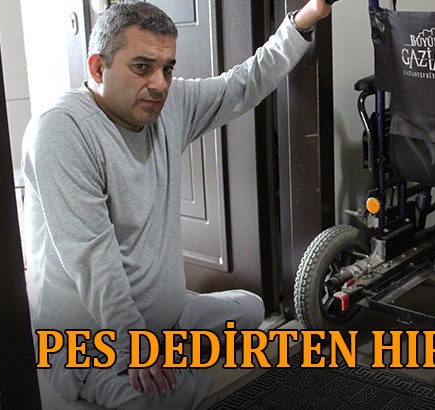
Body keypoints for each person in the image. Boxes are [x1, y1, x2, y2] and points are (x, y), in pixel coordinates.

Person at [21, 1, 332, 408]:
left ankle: (170, 353)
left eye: (167, 68)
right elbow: (91, 257)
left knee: (250, 310)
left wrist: (306, 18)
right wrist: (137, 345)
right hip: (94, 340)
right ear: (98, 68)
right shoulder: (61, 130)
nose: (159, 84)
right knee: (170, 399)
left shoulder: (168, 105)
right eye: (142, 67)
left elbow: (243, 83)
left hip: (168, 319)